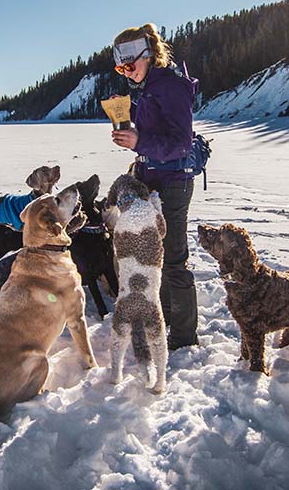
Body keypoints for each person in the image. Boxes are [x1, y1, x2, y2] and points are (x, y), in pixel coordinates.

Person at [111, 23, 199, 350]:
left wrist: (139, 141)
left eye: (129, 65)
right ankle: (164, 321)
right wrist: (127, 110)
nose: (125, 72)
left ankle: (185, 338)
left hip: (174, 183)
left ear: (148, 55)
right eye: (120, 67)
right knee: (157, 256)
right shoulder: (150, 86)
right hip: (152, 182)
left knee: (175, 260)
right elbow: (153, 121)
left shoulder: (171, 86)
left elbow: (181, 144)